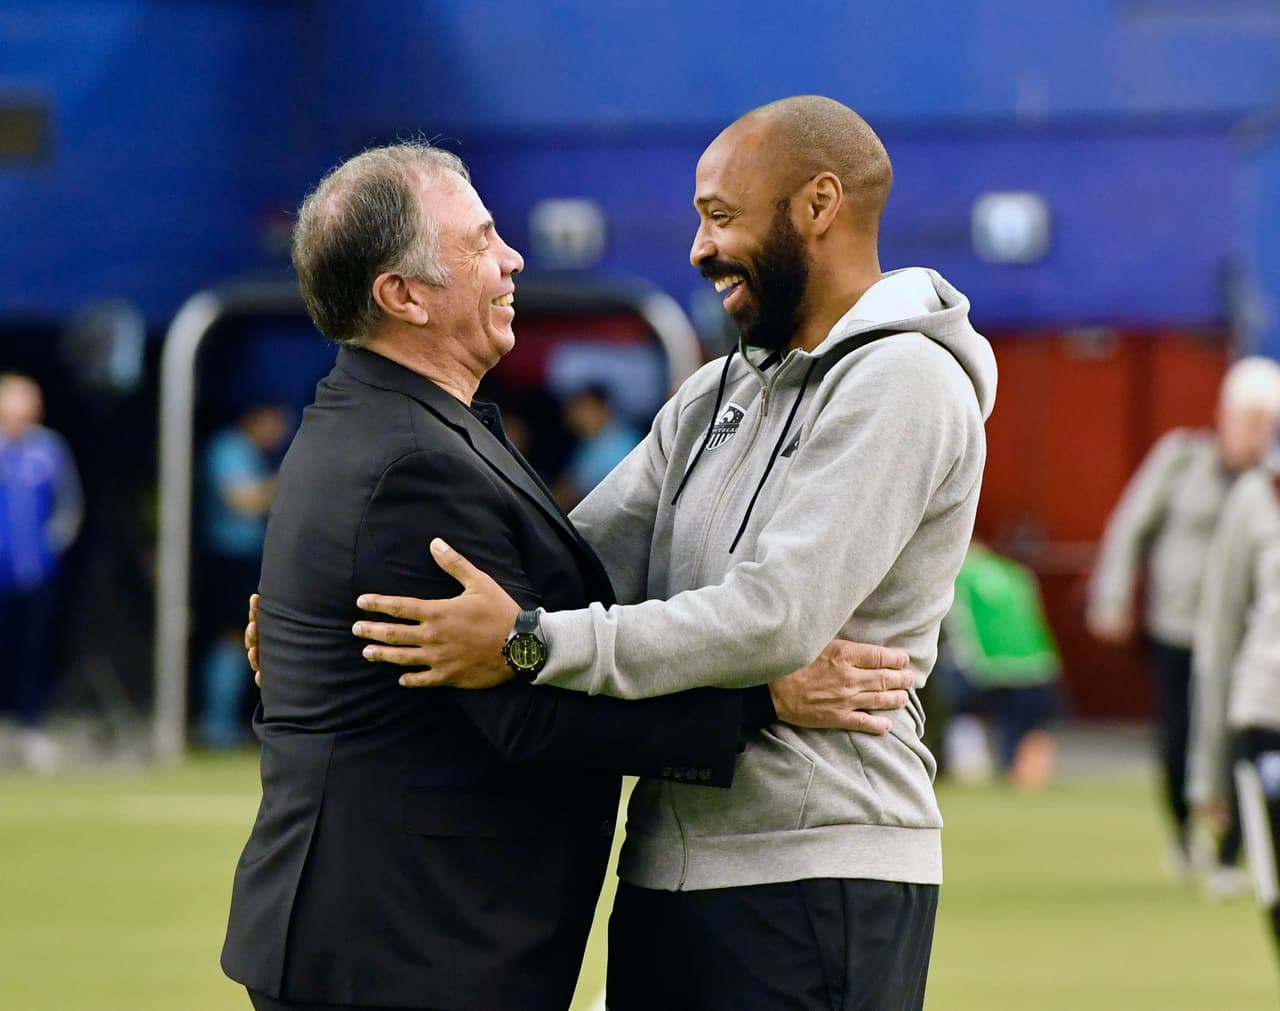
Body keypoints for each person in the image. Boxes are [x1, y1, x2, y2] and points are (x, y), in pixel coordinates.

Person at [222, 141, 913, 1011]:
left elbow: (541, 610)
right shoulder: (411, 460)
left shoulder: (397, 424)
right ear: (401, 295)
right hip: (402, 948)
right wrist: (761, 700)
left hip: (389, 940)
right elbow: (528, 713)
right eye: (478, 243)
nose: (512, 258)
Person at [353, 96, 996, 1010]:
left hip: (816, 877)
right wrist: (339, 608)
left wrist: (531, 643)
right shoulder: (714, 393)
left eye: (721, 217)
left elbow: (773, 618)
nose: (699, 250)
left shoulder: (907, 382)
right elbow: (567, 563)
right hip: (664, 869)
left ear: (819, 205)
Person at [1087, 356, 1280, 889]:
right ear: (1225, 415)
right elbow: (1131, 526)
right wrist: (1112, 596)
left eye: (1268, 424)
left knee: (1242, 737)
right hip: (1177, 628)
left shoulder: (1269, 490)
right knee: (1178, 738)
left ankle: (1230, 854)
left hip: (1246, 639)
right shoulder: (1180, 459)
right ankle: (1182, 830)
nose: (1258, 434)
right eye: (1251, 420)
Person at [0, 373, 83, 771]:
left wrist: (50, 547)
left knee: (31, 651)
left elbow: (69, 506)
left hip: (35, 574)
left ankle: (28, 728)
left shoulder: (49, 449)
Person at [196, 401, 289, 748]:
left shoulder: (257, 454)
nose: (278, 433)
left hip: (253, 558)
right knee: (230, 637)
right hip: (226, 558)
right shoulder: (227, 448)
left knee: (248, 637)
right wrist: (287, 482)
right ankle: (215, 727)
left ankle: (234, 723)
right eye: (275, 423)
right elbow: (241, 501)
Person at [940, 540, 1061, 791]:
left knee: (962, 712)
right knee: (1023, 725)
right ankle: (1022, 773)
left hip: (983, 665)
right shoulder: (1016, 574)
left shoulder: (953, 574)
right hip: (1036, 664)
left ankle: (970, 768)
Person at [552, 383, 641, 509]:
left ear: (603, 407)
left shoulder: (620, 444)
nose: (574, 415)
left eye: (583, 408)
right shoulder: (587, 443)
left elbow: (564, 496)